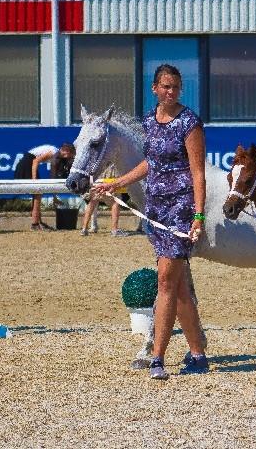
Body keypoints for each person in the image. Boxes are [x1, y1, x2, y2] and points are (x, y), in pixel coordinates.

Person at [93, 64, 207, 380]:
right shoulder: (148, 121)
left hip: (180, 211)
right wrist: (116, 183)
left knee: (166, 281)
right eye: (166, 87)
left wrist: (198, 215)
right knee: (180, 285)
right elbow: (150, 163)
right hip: (155, 210)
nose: (171, 92)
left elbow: (198, 172)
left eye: (176, 87)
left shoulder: (190, 122)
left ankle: (157, 356)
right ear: (155, 88)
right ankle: (198, 353)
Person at [14, 143, 76, 231]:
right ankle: (35, 224)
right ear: (65, 151)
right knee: (37, 193)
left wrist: (55, 197)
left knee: (37, 194)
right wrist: (34, 181)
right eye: (71, 154)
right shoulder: (53, 152)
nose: (70, 156)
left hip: (29, 163)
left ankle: (38, 222)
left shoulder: (56, 157)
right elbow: (35, 161)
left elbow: (53, 179)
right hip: (27, 163)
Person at [79, 164, 133, 237]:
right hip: (110, 176)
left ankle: (84, 229)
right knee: (115, 202)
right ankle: (114, 230)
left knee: (92, 202)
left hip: (98, 176)